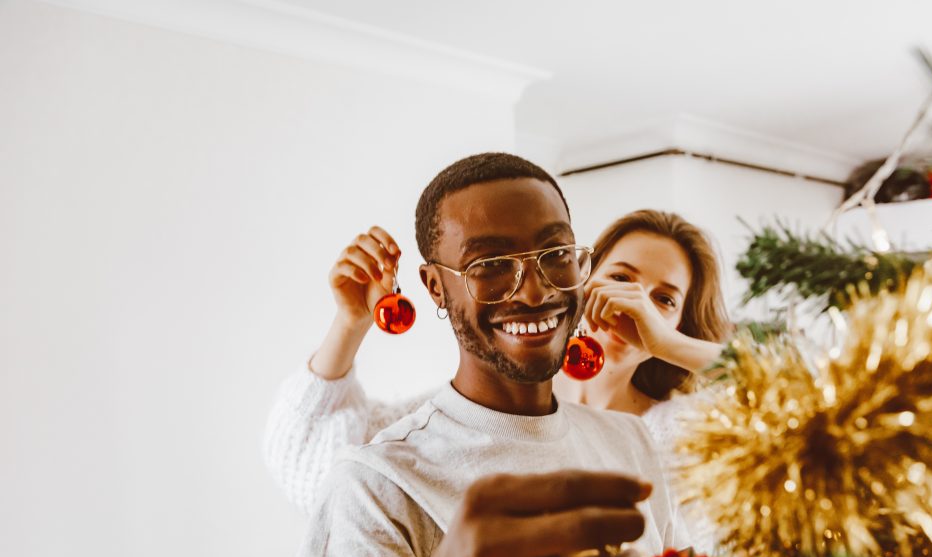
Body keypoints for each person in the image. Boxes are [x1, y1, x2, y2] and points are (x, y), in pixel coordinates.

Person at [285, 152, 685, 557]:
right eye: (490, 266)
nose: (535, 290)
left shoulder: (631, 441)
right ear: (434, 287)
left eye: (556, 253)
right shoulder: (375, 486)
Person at [264, 210, 731, 540]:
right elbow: (309, 465)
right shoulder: (478, 413)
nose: (635, 303)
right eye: (622, 278)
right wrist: (349, 323)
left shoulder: (682, 438)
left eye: (665, 299)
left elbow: (792, 407)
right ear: (580, 280)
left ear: (681, 325)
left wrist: (669, 345)